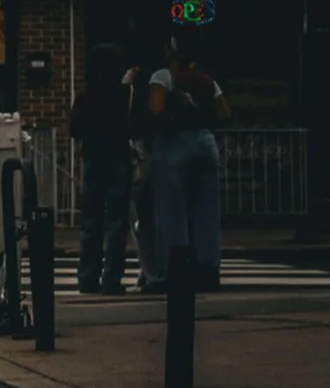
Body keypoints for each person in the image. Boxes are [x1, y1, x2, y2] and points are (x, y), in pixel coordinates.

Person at [144, 37, 228, 290]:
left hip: (173, 143)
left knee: (171, 212)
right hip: (205, 142)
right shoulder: (205, 79)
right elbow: (224, 112)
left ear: (171, 52)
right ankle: (208, 270)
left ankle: (173, 272)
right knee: (207, 212)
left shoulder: (163, 76)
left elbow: (155, 110)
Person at [67, 61, 133, 294]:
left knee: (91, 221)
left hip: (93, 157)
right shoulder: (124, 94)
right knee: (117, 222)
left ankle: (87, 277)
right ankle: (112, 278)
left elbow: (74, 128)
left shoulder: (86, 94)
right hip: (118, 156)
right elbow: (132, 124)